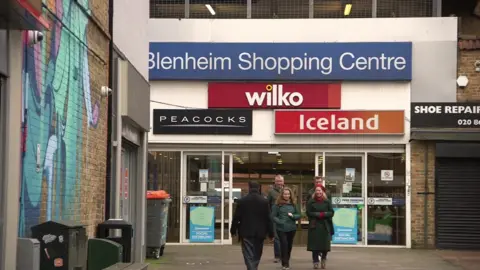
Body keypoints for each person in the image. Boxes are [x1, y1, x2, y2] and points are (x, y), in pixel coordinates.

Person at [231, 181, 274, 270]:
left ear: (249, 188)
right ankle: (254, 267)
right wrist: (271, 233)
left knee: (247, 253)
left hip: (246, 231)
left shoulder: (242, 201)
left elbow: (236, 217)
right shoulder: (264, 201)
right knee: (257, 253)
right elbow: (269, 218)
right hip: (260, 232)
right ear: (258, 188)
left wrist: (233, 230)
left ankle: (251, 268)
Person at [271, 187, 301, 270]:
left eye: (288, 194)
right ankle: (285, 264)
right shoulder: (277, 205)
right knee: (284, 245)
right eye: (285, 194)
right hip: (281, 229)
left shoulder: (294, 204)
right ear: (282, 195)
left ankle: (286, 261)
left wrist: (293, 216)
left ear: (290, 195)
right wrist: (280, 221)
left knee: (289, 246)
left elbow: (299, 215)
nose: (286, 195)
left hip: (292, 228)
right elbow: (273, 216)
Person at [307, 184, 334, 269]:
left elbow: (331, 212)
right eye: (317, 190)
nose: (318, 192)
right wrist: (317, 214)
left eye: (320, 190)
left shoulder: (327, 201)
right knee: (315, 246)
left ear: (322, 191)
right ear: (315, 192)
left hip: (325, 225)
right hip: (314, 225)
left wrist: (324, 214)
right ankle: (315, 262)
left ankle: (323, 260)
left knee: (325, 246)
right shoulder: (311, 201)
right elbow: (308, 213)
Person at [267, 174, 284, 263]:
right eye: (277, 181)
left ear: (283, 182)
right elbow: (267, 205)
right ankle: (277, 256)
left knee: (284, 237)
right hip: (275, 217)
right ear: (275, 182)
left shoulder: (287, 191)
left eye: (280, 181)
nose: (279, 183)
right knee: (277, 237)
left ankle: (284, 255)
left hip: (285, 218)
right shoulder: (271, 192)